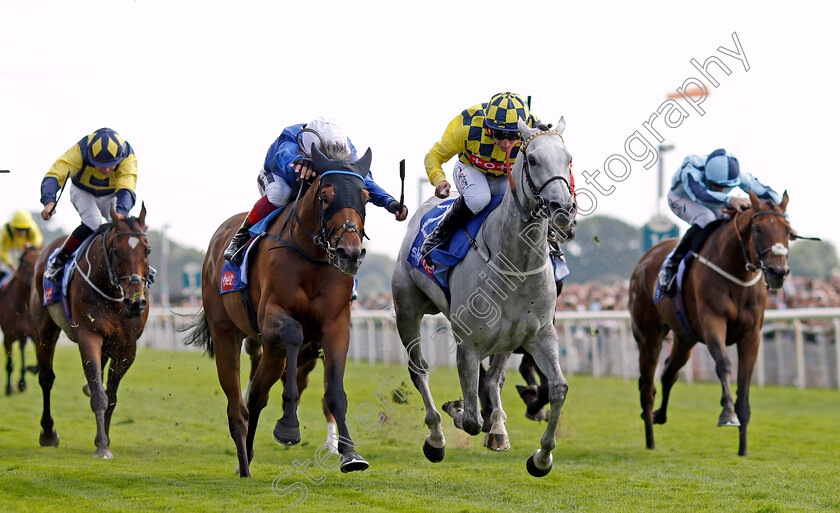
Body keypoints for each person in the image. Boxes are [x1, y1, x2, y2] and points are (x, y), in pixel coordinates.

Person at [224, 117, 408, 265]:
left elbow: (362, 180)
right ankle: (240, 237)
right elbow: (284, 157)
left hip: (319, 186)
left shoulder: (346, 147)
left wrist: (389, 202)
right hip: (279, 177)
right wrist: (298, 161)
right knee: (280, 193)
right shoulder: (291, 137)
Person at [420, 91, 542, 262]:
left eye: (513, 135)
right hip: (471, 169)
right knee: (479, 198)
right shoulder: (467, 127)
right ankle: (438, 235)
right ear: (488, 127)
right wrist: (439, 179)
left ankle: (551, 241)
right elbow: (433, 156)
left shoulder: (534, 128)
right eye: (499, 135)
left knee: (527, 195)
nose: (506, 144)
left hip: (506, 174)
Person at [658, 148, 783, 296]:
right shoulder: (691, 169)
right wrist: (729, 199)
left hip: (709, 199)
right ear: (708, 176)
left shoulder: (739, 175)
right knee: (706, 218)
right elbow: (699, 195)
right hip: (683, 197)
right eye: (717, 186)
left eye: (726, 187)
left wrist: (785, 218)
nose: (722, 190)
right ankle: (673, 263)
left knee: (730, 218)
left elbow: (770, 196)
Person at [40, 128, 138, 283]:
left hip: (112, 194)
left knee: (122, 225)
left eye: (111, 165)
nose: (106, 169)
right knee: (93, 222)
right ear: (90, 156)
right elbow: (55, 173)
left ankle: (136, 266)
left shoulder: (127, 155)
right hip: (83, 191)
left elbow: (127, 187)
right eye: (100, 164)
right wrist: (49, 201)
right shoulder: (81, 150)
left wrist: (121, 211)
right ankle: (59, 260)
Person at [0, 210, 43, 289]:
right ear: (13, 226)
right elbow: (3, 252)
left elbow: (37, 244)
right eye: (18, 229)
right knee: (3, 273)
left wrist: (30, 248)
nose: (22, 232)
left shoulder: (33, 229)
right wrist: (11, 265)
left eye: (24, 229)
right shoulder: (7, 230)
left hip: (26, 251)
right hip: (11, 251)